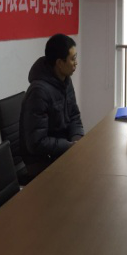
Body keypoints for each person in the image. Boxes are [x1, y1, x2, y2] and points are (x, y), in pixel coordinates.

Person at [19, 33, 85, 178]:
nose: (76, 63)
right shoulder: (38, 92)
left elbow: (74, 115)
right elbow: (37, 143)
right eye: (72, 59)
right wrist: (69, 146)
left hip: (60, 150)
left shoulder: (65, 80)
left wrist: (77, 139)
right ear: (60, 63)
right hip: (40, 160)